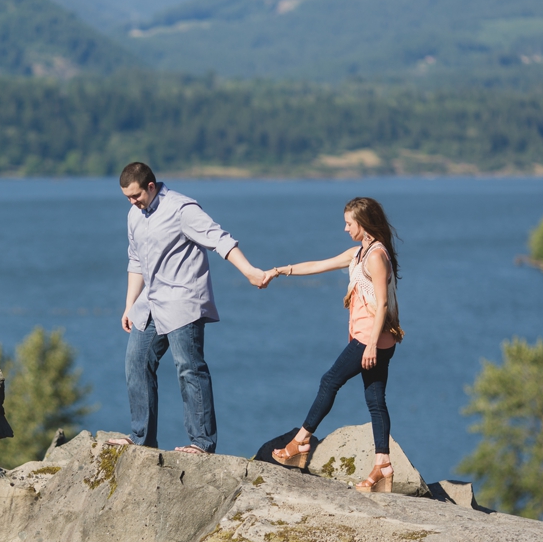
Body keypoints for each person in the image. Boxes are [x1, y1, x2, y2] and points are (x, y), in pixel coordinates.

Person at [108, 162, 266, 455]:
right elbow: (136, 261)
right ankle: (142, 438)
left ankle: (202, 443)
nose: (132, 202)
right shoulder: (134, 215)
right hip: (151, 305)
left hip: (183, 302)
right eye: (127, 198)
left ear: (151, 187)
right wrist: (129, 306)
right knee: (136, 363)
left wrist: (249, 271)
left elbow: (220, 239)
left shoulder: (182, 209)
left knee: (189, 369)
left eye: (136, 196)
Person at [261, 197, 404, 493]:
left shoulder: (376, 256)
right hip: (373, 339)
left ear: (363, 224)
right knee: (375, 400)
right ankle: (383, 466)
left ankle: (300, 441)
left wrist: (370, 346)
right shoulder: (359, 253)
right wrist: (281, 270)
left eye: (349, 223)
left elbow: (383, 303)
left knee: (330, 381)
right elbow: (319, 265)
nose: (345, 228)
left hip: (370, 339)